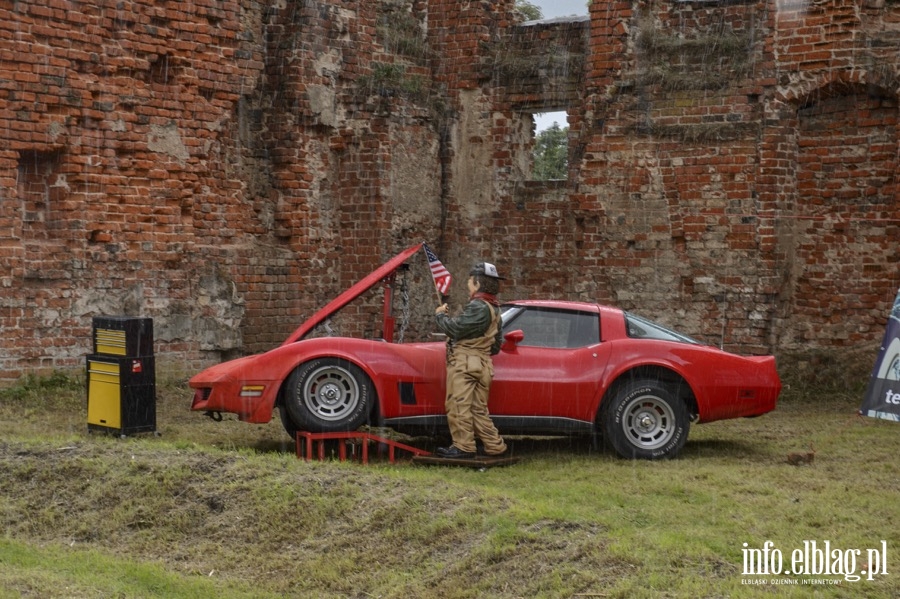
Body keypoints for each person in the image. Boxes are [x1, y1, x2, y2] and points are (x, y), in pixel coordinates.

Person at [434, 262, 508, 459]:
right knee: (477, 409)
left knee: (458, 404)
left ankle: (464, 446)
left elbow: (456, 329)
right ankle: (494, 446)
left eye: (469, 280)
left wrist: (441, 316)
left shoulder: (477, 306)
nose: (467, 284)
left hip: (465, 362)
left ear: (476, 282)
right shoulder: (495, 309)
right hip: (483, 364)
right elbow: (496, 345)